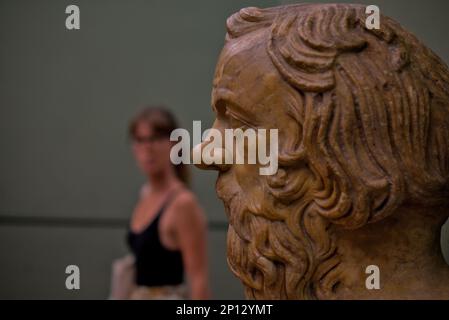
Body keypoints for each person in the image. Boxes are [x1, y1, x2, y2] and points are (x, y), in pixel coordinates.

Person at [121, 106, 210, 299]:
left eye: (155, 139)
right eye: (140, 140)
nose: (147, 148)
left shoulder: (183, 203)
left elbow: (198, 279)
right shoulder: (144, 194)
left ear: (174, 144)